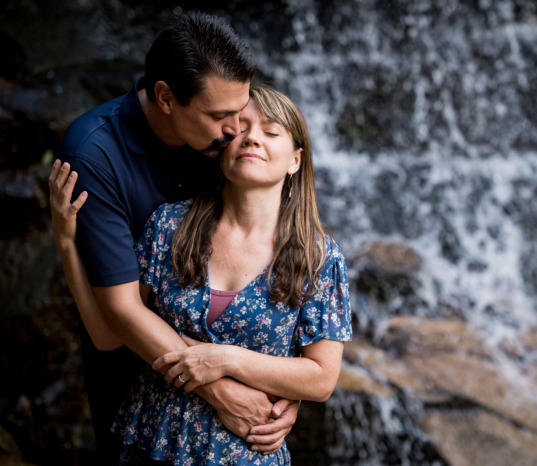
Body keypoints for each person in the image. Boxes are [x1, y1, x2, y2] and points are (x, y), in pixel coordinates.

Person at [51, 83, 352, 465]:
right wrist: (66, 243)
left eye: (271, 131)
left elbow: (322, 379)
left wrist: (224, 360)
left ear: (295, 159)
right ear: (219, 148)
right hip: (153, 445)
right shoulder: (169, 226)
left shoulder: (320, 259)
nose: (252, 138)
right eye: (239, 129)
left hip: (248, 454)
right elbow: (108, 333)